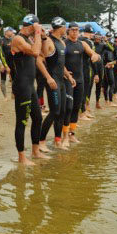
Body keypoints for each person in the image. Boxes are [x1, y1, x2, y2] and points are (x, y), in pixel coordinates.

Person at [10, 14, 47, 165]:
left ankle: (35, 151)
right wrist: (37, 33)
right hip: (21, 85)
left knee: (38, 118)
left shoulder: (30, 39)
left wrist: (42, 38)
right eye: (36, 26)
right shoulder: (17, 39)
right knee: (22, 121)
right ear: (31, 26)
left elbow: (42, 55)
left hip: (30, 85)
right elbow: (35, 52)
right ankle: (21, 157)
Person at [38, 17, 75, 153]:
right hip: (52, 81)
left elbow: (61, 63)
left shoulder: (62, 43)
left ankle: (57, 140)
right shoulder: (48, 41)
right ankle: (41, 142)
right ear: (61, 28)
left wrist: (68, 76)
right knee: (54, 112)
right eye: (65, 27)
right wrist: (48, 78)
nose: (66, 30)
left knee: (62, 111)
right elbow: (39, 61)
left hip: (61, 80)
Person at [63, 23, 100, 146]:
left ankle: (72, 134)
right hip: (68, 80)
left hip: (80, 80)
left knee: (76, 107)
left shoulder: (82, 44)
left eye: (77, 30)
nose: (75, 32)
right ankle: (64, 136)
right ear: (68, 31)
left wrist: (95, 56)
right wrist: (64, 72)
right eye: (72, 30)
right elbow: (57, 60)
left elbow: (93, 54)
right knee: (68, 108)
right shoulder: (64, 43)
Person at [0, 26, 14, 99]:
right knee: (3, 79)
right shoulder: (1, 40)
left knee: (14, 79)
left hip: (12, 62)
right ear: (6, 32)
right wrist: (1, 64)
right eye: (11, 31)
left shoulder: (12, 40)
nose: (12, 32)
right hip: (4, 62)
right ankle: (5, 96)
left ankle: (13, 94)